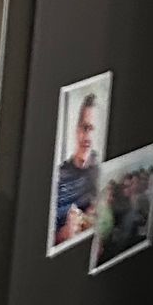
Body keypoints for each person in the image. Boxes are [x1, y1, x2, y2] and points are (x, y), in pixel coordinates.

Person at [53, 90, 102, 245]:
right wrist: (63, 234)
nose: (88, 138)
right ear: (77, 130)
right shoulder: (57, 177)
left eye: (94, 130)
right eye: (85, 128)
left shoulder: (101, 172)